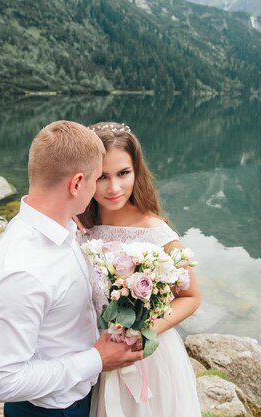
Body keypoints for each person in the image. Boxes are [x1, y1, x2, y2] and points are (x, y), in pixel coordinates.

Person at [0, 120, 143, 417]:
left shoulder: (64, 226)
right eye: (96, 180)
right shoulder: (21, 272)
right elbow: (1, 382)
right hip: (50, 410)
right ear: (77, 183)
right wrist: (96, 359)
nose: (98, 189)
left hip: (81, 396)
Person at [79, 122, 202, 417]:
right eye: (102, 177)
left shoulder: (157, 232)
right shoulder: (81, 228)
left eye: (123, 173)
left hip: (148, 359)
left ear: (136, 170)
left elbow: (191, 297)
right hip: (94, 353)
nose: (114, 188)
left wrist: (143, 331)